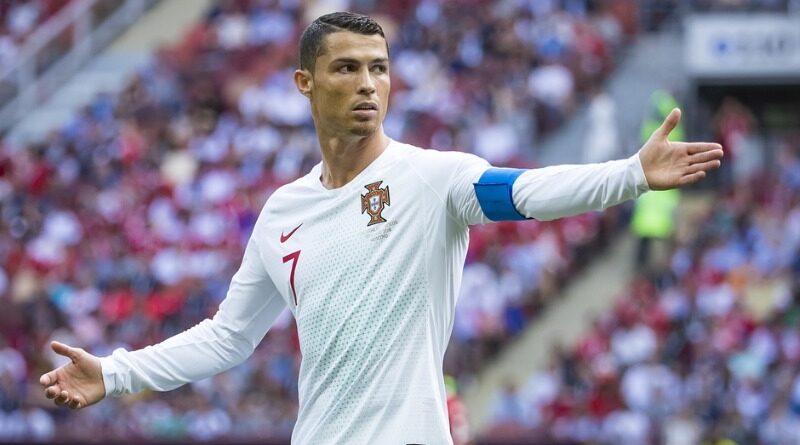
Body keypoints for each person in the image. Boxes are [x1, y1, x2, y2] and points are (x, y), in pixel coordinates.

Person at [38, 12, 723, 445]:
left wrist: (629, 174)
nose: (368, 83)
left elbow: (523, 193)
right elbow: (227, 337)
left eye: (379, 68)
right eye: (347, 68)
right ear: (305, 83)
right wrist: (116, 372)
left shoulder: (432, 177)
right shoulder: (283, 211)